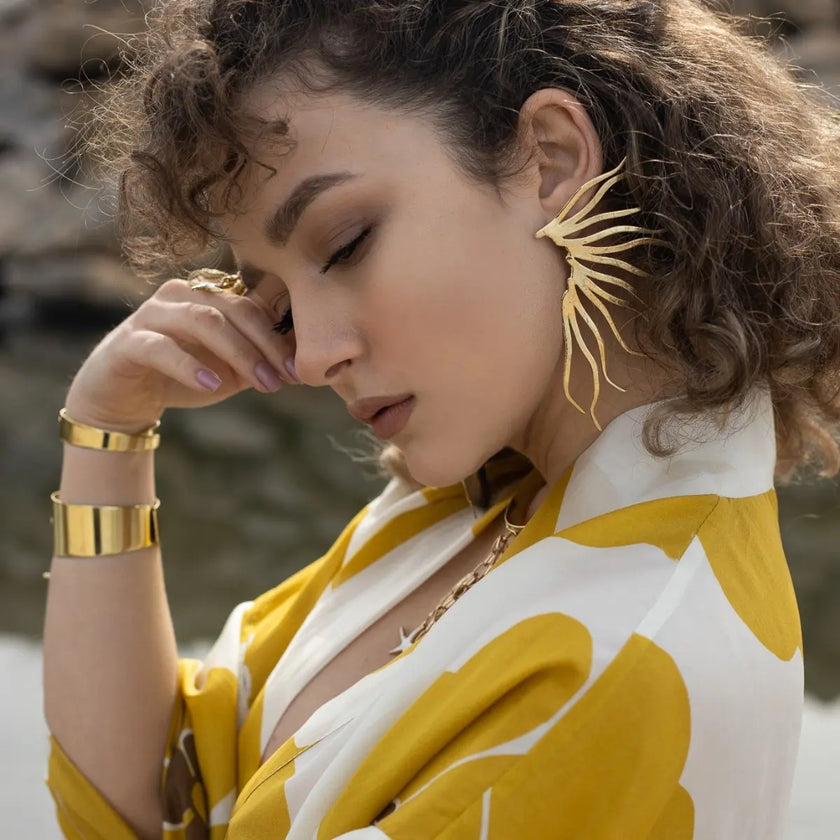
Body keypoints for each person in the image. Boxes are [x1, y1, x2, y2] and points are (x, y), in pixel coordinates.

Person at [42, 0, 840, 837]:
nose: (310, 355)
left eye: (346, 243)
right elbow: (156, 802)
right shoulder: (490, 496)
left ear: (553, 160)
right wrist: (108, 428)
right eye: (272, 300)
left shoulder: (612, 660)